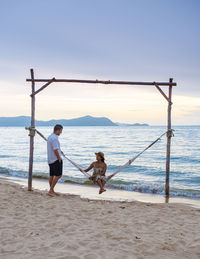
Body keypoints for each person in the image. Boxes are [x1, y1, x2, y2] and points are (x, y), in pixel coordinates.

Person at [47, 124, 63, 196]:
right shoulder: (55, 138)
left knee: (52, 175)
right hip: (55, 159)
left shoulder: (50, 137)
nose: (61, 132)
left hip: (50, 159)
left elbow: (55, 148)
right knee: (59, 175)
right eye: (61, 131)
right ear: (58, 130)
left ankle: (51, 190)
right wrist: (59, 158)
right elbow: (55, 149)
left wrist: (60, 151)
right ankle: (51, 190)